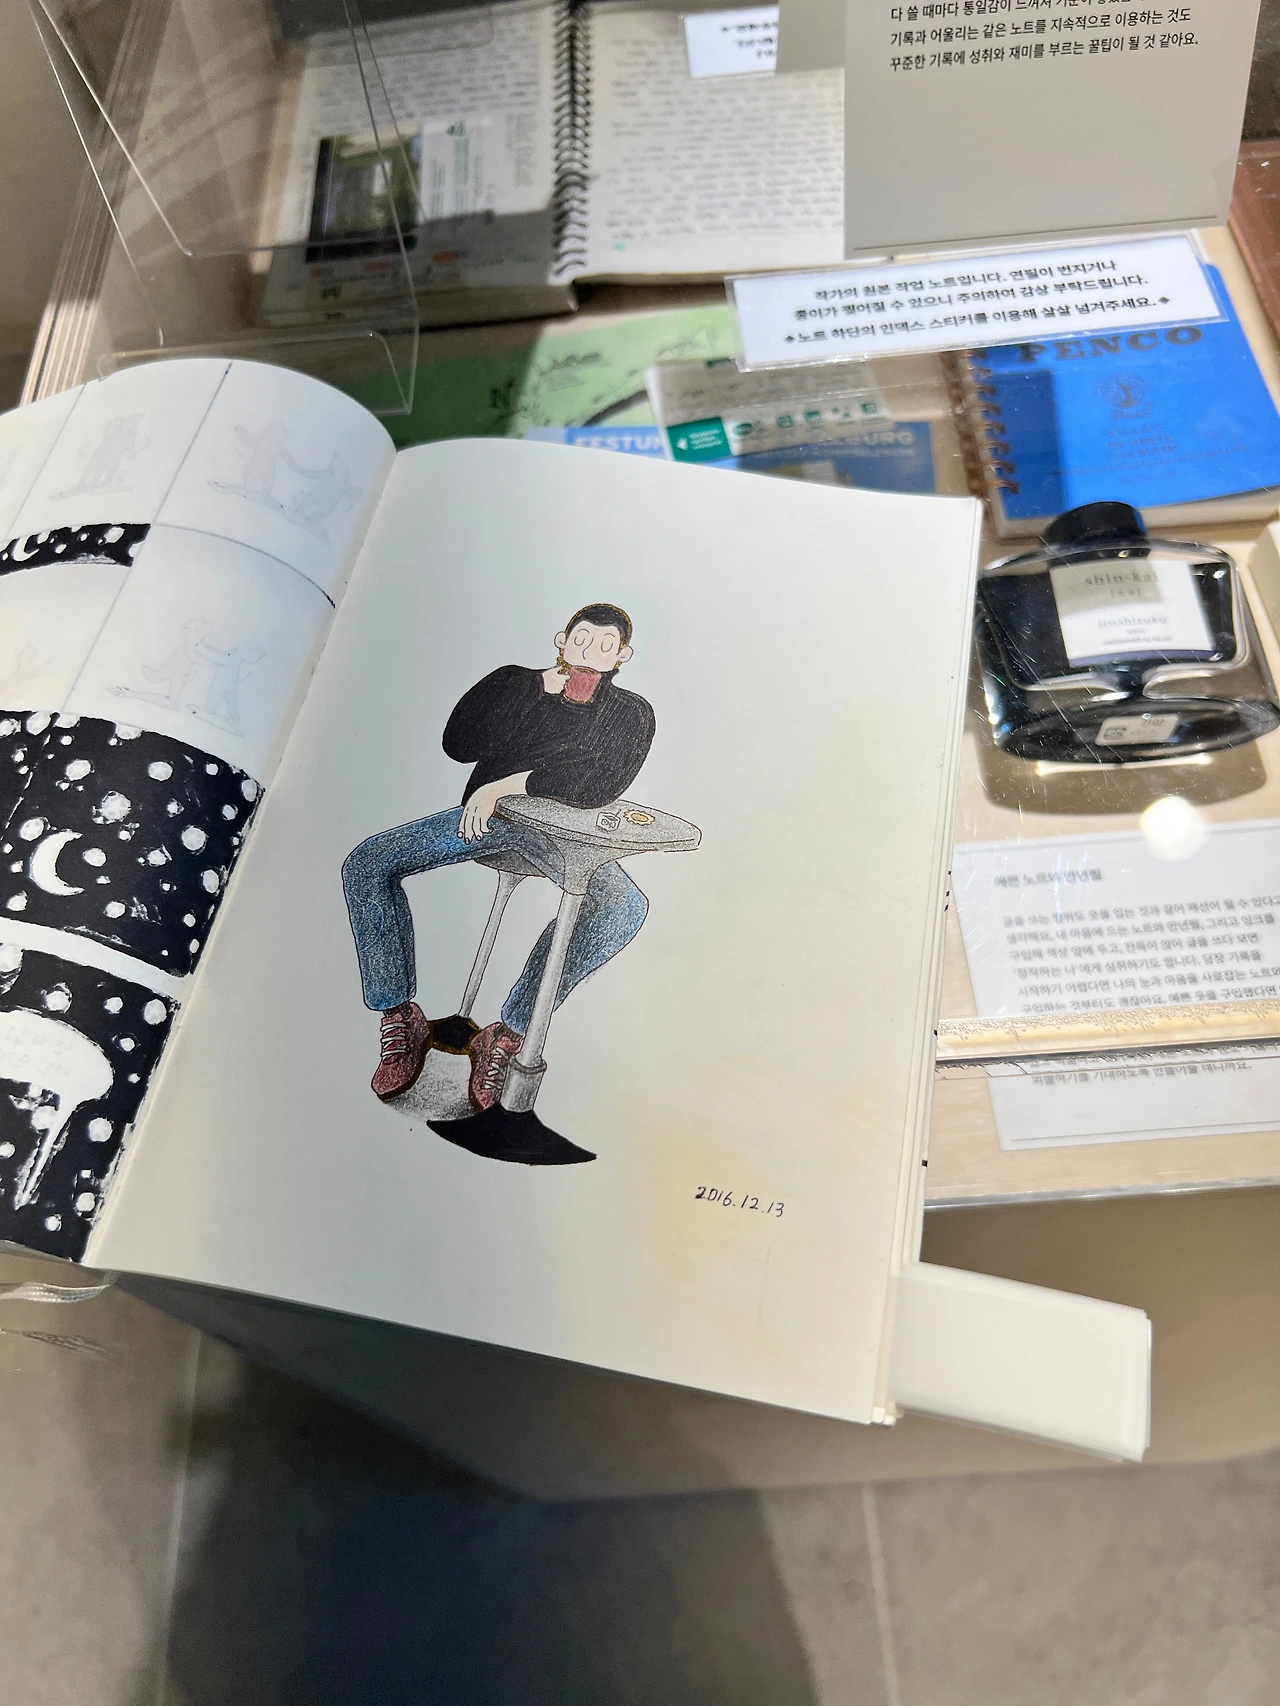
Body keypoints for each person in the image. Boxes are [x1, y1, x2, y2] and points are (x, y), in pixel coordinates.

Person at [343, 604, 655, 1109]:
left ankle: (507, 1033)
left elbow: (600, 782)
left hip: (561, 837)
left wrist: (511, 783)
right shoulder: (515, 682)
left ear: (623, 656)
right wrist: (529, 692)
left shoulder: (630, 713)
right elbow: (457, 745)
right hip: (488, 821)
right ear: (562, 639)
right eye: (581, 638)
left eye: (605, 645)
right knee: (367, 863)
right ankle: (399, 1015)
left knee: (624, 907)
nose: (590, 652)